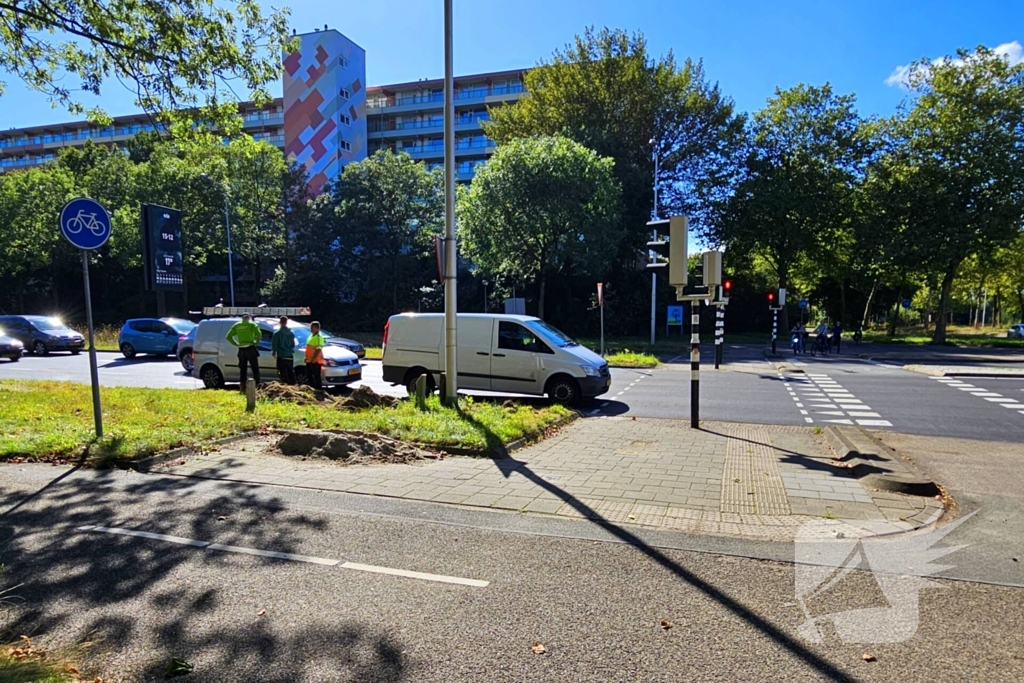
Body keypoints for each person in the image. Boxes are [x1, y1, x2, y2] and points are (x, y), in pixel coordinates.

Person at [226, 313, 261, 391]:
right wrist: (256, 342)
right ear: (249, 318)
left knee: (243, 369)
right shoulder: (252, 324)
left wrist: (236, 343)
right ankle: (257, 386)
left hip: (241, 349)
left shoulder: (237, 325)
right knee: (255, 368)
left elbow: (228, 336)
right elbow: (259, 333)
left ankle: (243, 387)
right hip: (250, 347)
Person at [271, 316, 297, 384]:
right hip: (290, 355)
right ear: (286, 322)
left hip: (281, 355)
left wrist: (274, 353)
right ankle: (293, 385)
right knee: (290, 371)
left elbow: (274, 345)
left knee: (282, 372)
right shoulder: (291, 334)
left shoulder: (277, 334)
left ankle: (285, 385)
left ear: (280, 322)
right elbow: (293, 345)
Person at [305, 320, 326, 390]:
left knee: (316, 376)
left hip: (315, 360)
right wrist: (306, 357)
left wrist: (314, 359)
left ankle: (318, 390)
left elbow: (318, 349)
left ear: (316, 328)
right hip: (309, 360)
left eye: (312, 327)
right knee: (309, 375)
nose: (310, 328)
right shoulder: (311, 336)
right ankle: (312, 389)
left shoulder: (319, 337)